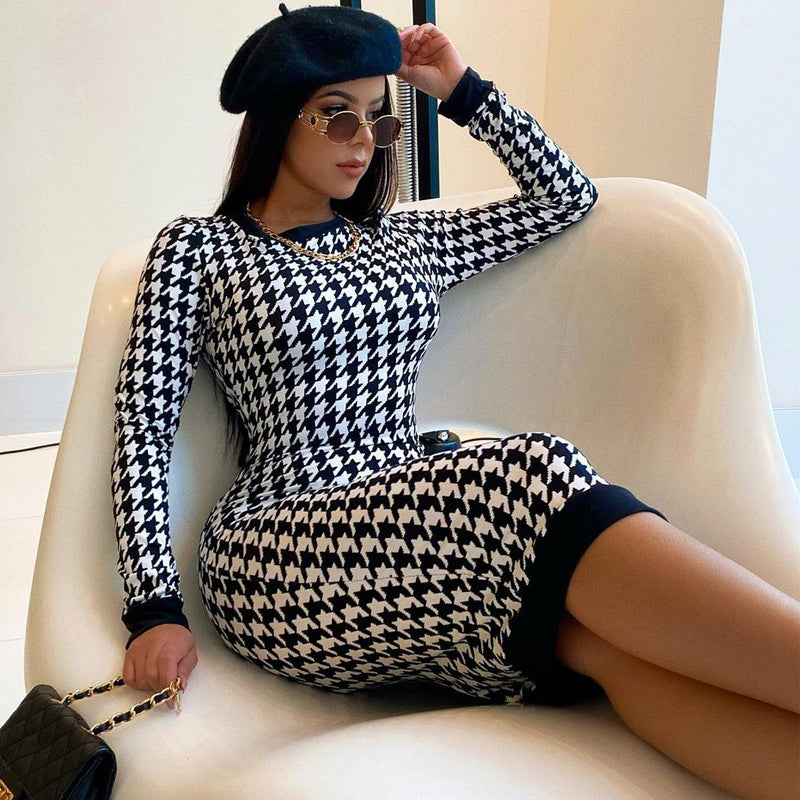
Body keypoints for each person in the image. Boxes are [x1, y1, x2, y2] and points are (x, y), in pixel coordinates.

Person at [110, 4, 799, 799]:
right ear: (275, 117)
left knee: (594, 648)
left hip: (418, 527)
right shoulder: (200, 249)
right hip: (274, 552)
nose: (362, 140)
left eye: (379, 119)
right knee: (531, 470)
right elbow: (144, 425)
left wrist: (460, 89)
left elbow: (564, 198)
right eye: (336, 115)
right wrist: (153, 608)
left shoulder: (402, 241)